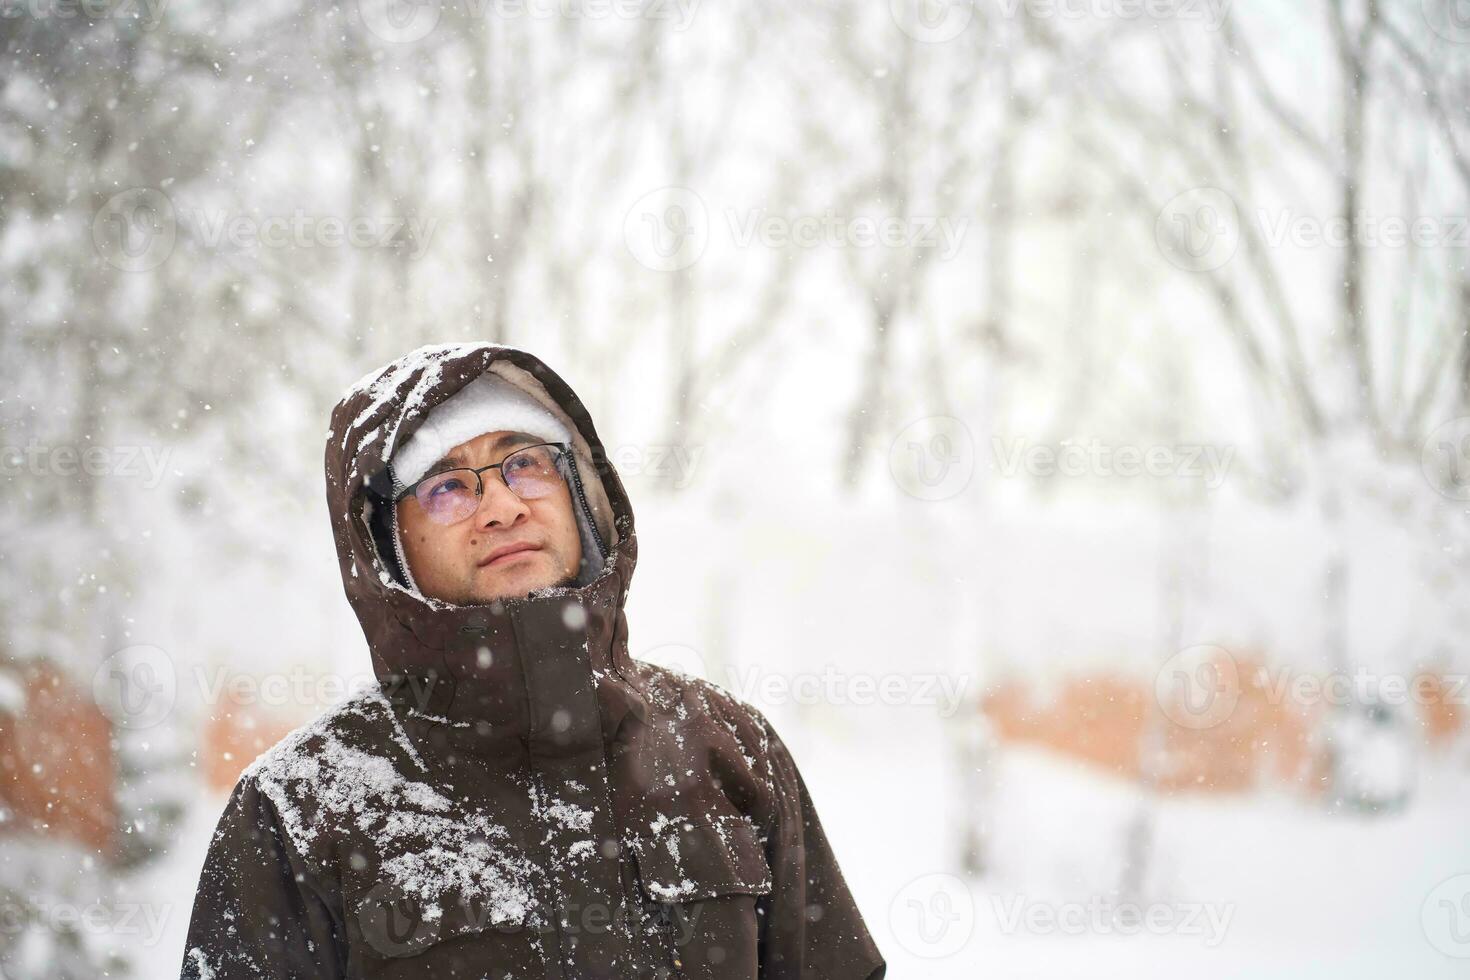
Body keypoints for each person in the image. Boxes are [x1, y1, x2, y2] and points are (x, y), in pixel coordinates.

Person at [179, 342, 886, 979]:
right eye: (447, 486)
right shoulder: (301, 808)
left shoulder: (729, 748)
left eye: (525, 463)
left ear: (581, 495)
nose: (502, 507)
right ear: (386, 544)